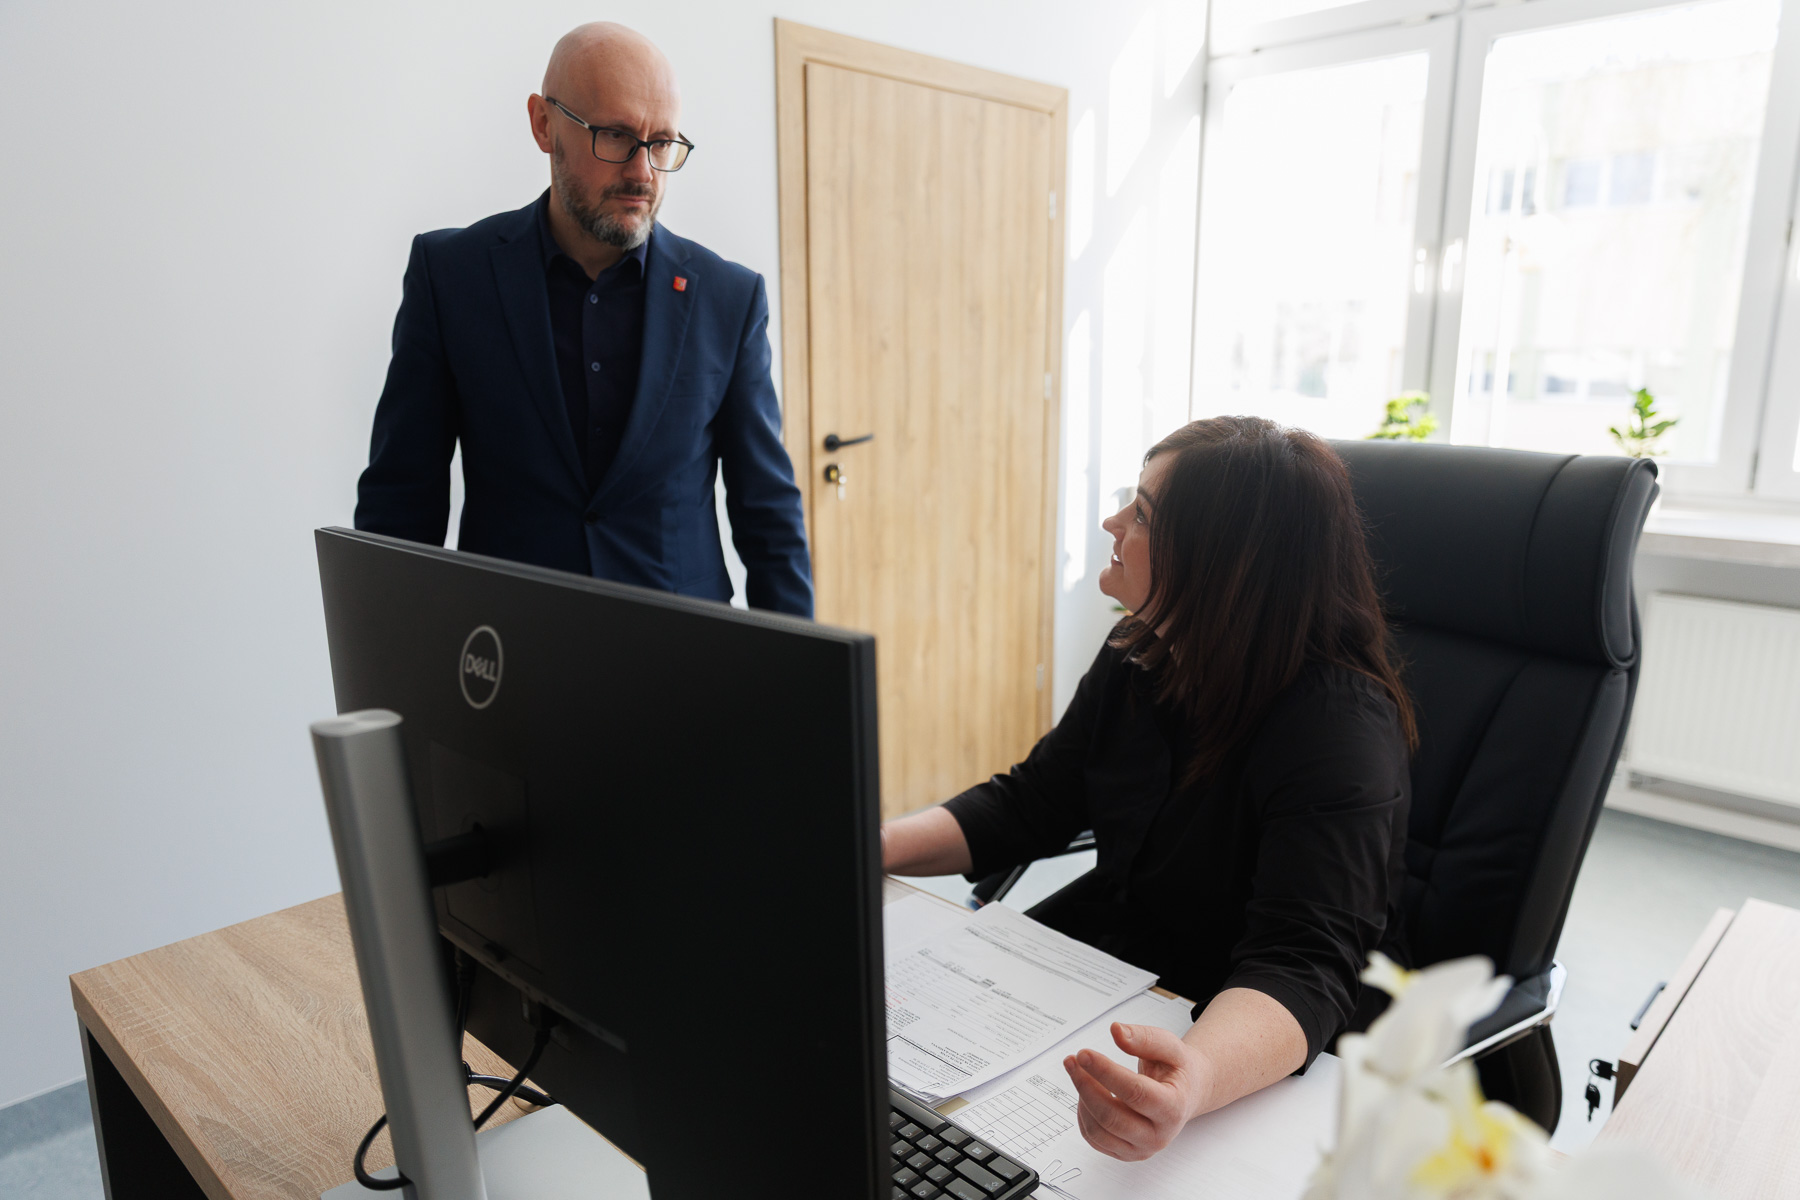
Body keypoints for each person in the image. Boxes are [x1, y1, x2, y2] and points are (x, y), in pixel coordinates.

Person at [882, 416, 1415, 1162]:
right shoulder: (1141, 651)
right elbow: (1032, 802)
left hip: (1233, 1022)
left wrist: (1194, 1079)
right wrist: (868, 846)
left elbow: (1301, 963)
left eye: (1144, 514)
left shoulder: (1337, 731)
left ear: (1222, 561)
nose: (1113, 523)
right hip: (1109, 966)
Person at [354, 23, 812, 616]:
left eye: (662, 143)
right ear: (544, 124)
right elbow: (400, 502)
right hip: (508, 651)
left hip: (684, 658)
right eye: (616, 136)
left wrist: (800, 672)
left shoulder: (729, 298)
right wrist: (393, 659)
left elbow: (768, 517)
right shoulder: (452, 276)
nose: (644, 173)